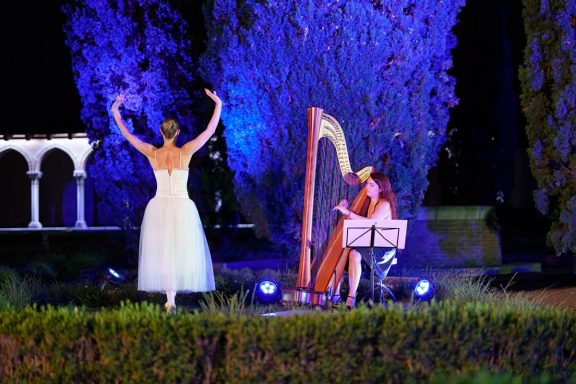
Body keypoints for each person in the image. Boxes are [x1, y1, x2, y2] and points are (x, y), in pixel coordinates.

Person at [111, 88, 222, 313]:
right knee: (179, 249)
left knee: (164, 250)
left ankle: (170, 297)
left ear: (162, 133)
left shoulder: (153, 153)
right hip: (181, 205)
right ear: (177, 133)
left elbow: (129, 136)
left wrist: (116, 111)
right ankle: (172, 296)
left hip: (160, 206)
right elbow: (209, 131)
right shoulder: (186, 151)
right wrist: (217, 104)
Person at [332, 171, 398, 308]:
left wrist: (348, 212)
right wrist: (346, 207)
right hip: (368, 245)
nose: (367, 187)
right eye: (367, 184)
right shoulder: (367, 202)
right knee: (338, 254)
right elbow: (359, 222)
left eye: (372, 185)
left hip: (382, 250)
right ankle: (336, 295)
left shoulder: (384, 204)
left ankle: (351, 297)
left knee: (354, 253)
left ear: (380, 188)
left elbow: (370, 222)